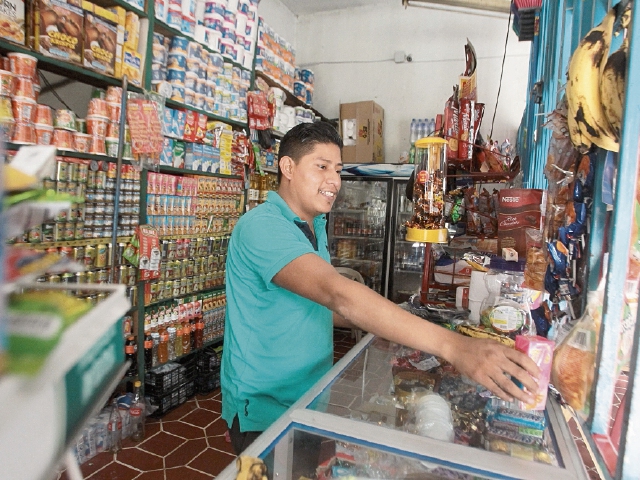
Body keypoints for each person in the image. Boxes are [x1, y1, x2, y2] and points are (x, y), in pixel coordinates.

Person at [221, 122, 541, 455]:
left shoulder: (313, 225)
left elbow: (317, 308)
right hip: (265, 409)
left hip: (308, 398)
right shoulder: (262, 226)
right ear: (287, 167)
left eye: (338, 170)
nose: (334, 180)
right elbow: (338, 294)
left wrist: (404, 319)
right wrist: (456, 347)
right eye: (321, 167)